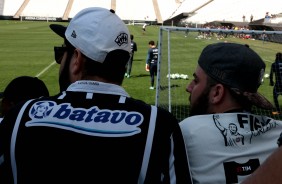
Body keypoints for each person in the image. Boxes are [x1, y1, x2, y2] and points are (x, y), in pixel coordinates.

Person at [0, 7, 192, 184]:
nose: (60, 61)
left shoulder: (21, 116)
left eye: (61, 53)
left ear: (77, 59)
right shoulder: (160, 125)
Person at [179, 42, 282, 184]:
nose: (189, 87)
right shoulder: (278, 131)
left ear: (217, 93)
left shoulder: (185, 132)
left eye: (196, 81)